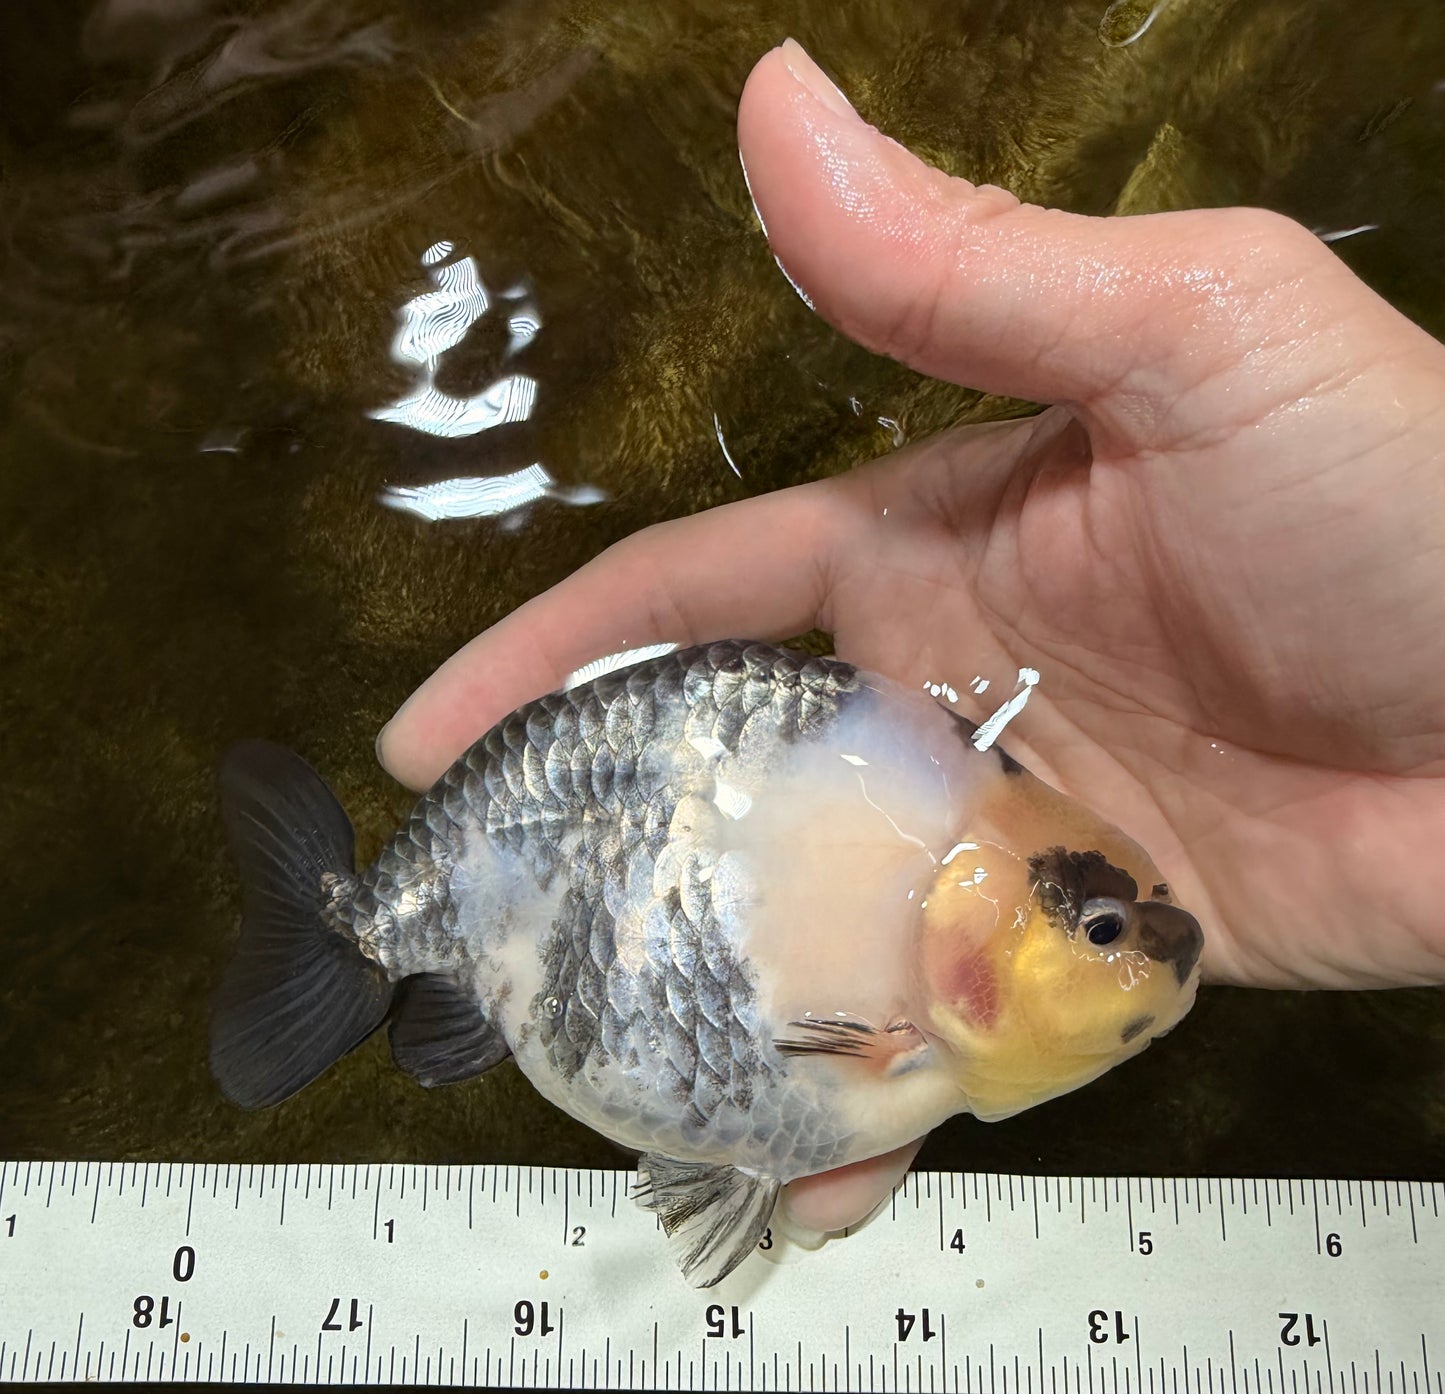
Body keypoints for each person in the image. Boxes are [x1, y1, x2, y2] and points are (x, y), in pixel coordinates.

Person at [375, 39, 1445, 1235]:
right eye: (1095, 931)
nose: (1137, 949)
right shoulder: (921, 894)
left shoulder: (939, 878)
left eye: (1108, 929)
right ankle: (378, 927)